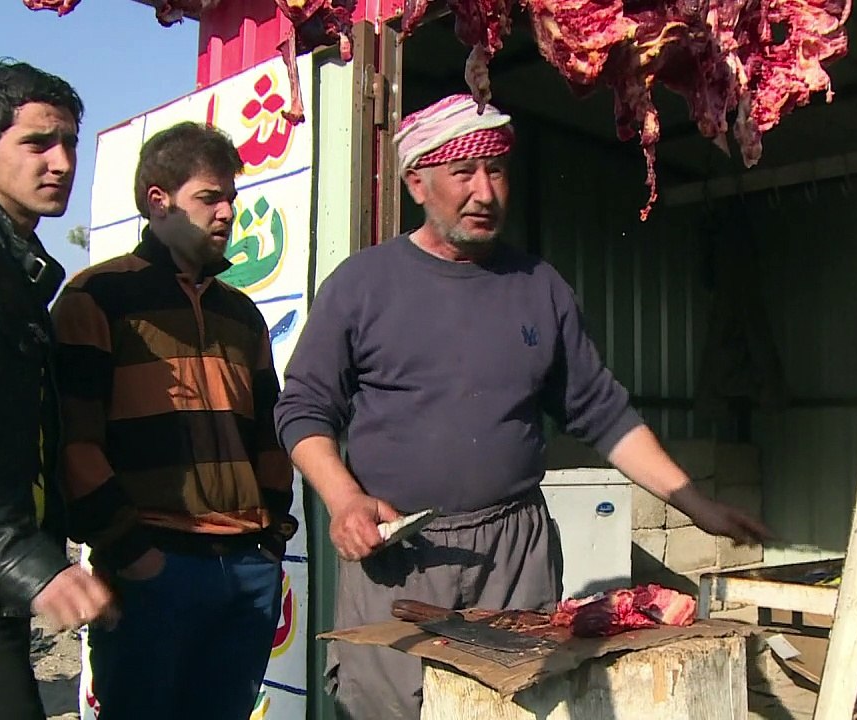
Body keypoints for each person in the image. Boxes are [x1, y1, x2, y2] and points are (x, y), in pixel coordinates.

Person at [273, 93, 772, 719]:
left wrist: (694, 503)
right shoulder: (363, 285)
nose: (485, 192)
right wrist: (343, 498)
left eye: (497, 170)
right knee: (386, 709)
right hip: (399, 555)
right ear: (416, 183)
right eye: (464, 173)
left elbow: (602, 412)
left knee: (512, 706)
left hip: (513, 551)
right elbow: (303, 410)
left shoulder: (540, 287)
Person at [52, 121, 298, 720]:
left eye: (232, 199)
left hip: (245, 568)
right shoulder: (96, 297)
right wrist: (133, 553)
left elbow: (267, 433)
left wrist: (268, 539)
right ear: (157, 201)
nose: (228, 212)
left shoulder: (240, 314)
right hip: (154, 566)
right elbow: (72, 444)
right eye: (210, 197)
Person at [0, 59, 115, 719]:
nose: (61, 162)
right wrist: (26, 559)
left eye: (68, 142)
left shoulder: (15, 264)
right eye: (37, 143)